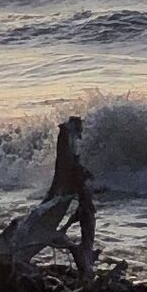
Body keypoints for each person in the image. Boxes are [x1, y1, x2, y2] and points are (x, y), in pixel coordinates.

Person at [47, 114, 100, 266]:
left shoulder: (69, 142)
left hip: (71, 188)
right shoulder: (68, 141)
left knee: (84, 216)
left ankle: (85, 253)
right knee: (86, 218)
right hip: (71, 189)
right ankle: (85, 255)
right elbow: (72, 167)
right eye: (80, 128)